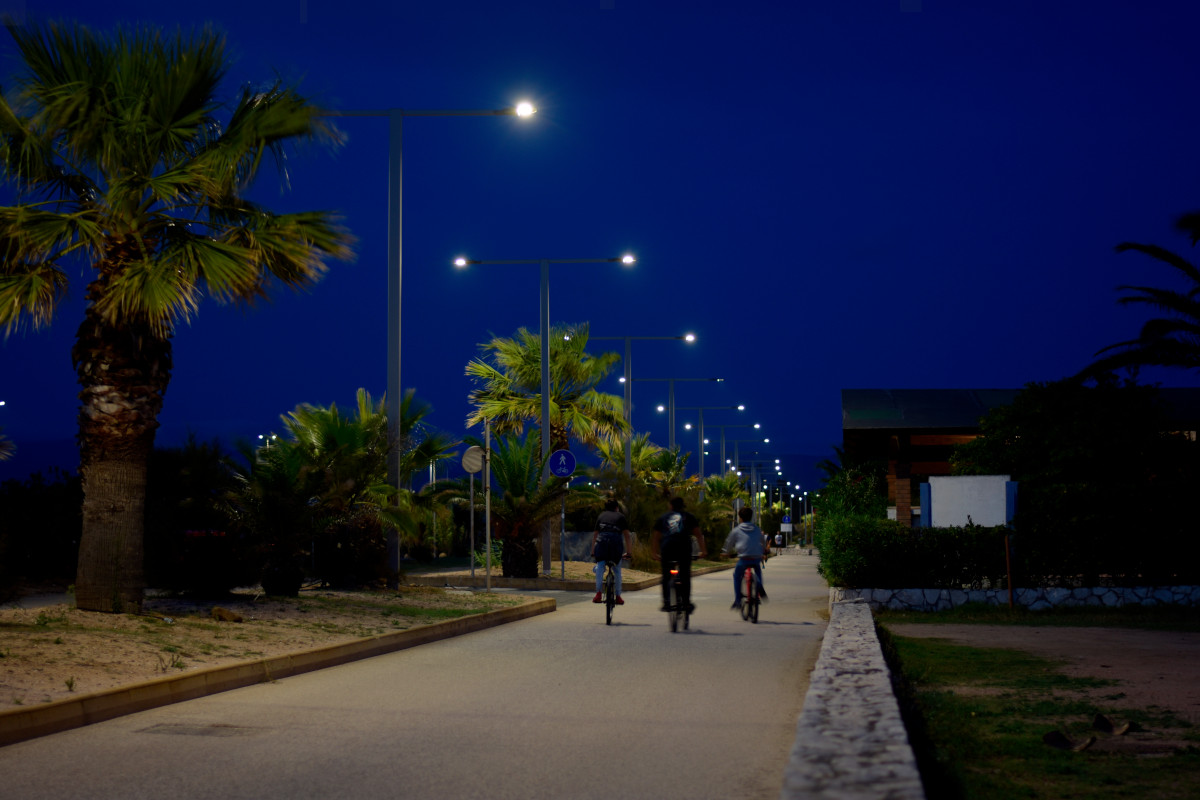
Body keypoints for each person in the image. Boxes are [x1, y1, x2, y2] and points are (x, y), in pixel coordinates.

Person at [651, 496, 707, 613]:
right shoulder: (689, 517)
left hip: (668, 548)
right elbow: (698, 535)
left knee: (666, 576)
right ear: (683, 506)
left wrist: (654, 553)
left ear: (670, 506)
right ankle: (686, 602)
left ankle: (666, 602)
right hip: (684, 548)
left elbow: (656, 537)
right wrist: (703, 551)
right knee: (685, 575)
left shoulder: (664, 517)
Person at [722, 506, 767, 610]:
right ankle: (759, 585)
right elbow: (763, 541)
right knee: (758, 570)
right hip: (756, 557)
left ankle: (738, 600)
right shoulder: (757, 529)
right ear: (751, 517)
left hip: (744, 558)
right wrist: (764, 551)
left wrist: (725, 552)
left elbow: (729, 543)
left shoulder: (736, 530)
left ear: (740, 518)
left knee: (737, 576)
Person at [591, 496, 633, 604]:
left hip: (602, 544)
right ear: (616, 508)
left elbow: (595, 535)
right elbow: (627, 536)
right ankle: (618, 596)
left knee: (600, 567)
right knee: (617, 570)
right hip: (615, 546)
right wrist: (629, 553)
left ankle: (598, 594)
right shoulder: (621, 517)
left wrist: (593, 551)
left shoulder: (601, 516)